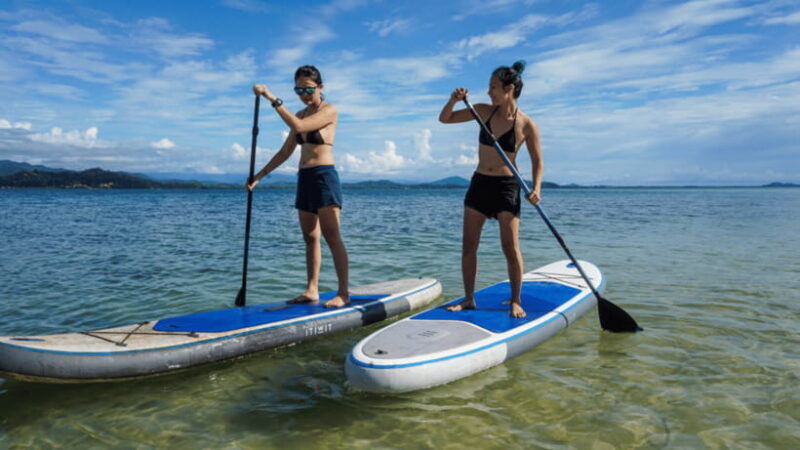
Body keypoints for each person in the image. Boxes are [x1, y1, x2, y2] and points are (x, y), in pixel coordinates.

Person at [438, 61, 542, 318]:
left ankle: (516, 300)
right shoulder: (484, 112)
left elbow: (537, 161)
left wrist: (536, 188)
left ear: (509, 88)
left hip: (507, 187)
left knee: (510, 247)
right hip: (480, 184)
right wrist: (453, 100)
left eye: (493, 87)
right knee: (469, 246)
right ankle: (469, 299)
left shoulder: (526, 124)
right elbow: (445, 118)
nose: (488, 92)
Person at [248, 65, 349, 308]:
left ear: (320, 87)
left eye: (308, 88)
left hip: (324, 176)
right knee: (310, 237)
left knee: (332, 237)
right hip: (304, 178)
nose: (304, 93)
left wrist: (272, 98)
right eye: (299, 89)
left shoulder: (330, 110)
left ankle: (344, 292)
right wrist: (259, 175)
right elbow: (285, 151)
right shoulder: (300, 114)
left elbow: (301, 128)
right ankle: (312, 289)